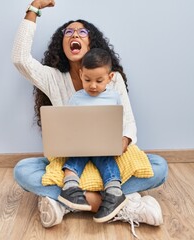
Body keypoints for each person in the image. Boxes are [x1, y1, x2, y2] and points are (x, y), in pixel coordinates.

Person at [12, 0, 168, 232]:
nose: (75, 34)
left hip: (109, 159)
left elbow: (128, 123)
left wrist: (123, 141)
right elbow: (20, 59)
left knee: (159, 166)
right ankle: (117, 205)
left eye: (82, 31)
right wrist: (33, 8)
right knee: (23, 170)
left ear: (91, 42)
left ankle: (68, 204)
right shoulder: (53, 78)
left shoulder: (111, 79)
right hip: (73, 165)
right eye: (69, 32)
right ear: (62, 44)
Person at [58, 48, 127, 223]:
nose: (93, 85)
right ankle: (70, 189)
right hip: (81, 143)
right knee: (75, 158)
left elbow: (120, 121)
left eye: (99, 80)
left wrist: (120, 139)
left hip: (104, 145)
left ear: (110, 78)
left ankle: (114, 193)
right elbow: (68, 123)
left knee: (106, 160)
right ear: (81, 74)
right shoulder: (76, 99)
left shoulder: (114, 97)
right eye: (87, 80)